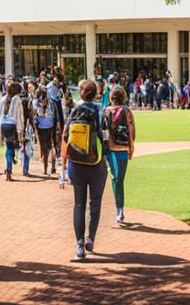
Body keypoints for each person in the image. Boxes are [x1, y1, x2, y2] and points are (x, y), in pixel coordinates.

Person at [62, 80, 108, 261]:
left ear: (81, 93)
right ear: (95, 93)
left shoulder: (74, 111)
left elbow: (66, 136)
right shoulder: (100, 111)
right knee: (95, 204)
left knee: (79, 204)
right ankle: (91, 239)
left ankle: (79, 245)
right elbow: (105, 137)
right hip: (96, 163)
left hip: (76, 162)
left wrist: (64, 163)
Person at [104, 85, 136, 224]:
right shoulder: (127, 111)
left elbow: (103, 131)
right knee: (120, 180)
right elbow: (131, 130)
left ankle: (119, 209)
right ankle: (120, 209)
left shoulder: (106, 111)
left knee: (115, 178)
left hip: (110, 149)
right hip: (123, 149)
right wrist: (131, 147)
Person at [0, 81, 27, 181]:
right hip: (12, 125)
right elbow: (19, 116)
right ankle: (9, 169)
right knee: (11, 147)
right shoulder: (17, 100)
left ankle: (9, 168)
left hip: (4, 124)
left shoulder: (4, 99)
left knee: (9, 147)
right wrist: (20, 131)